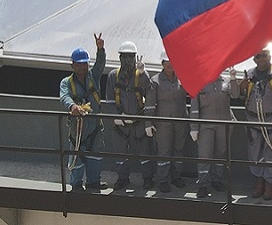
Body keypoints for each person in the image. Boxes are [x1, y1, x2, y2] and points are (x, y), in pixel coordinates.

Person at [234, 48, 272, 200]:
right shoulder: (250, 74)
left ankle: (269, 184)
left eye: (264, 56)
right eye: (258, 56)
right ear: (254, 59)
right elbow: (243, 95)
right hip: (253, 120)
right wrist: (242, 88)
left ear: (269, 56)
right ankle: (259, 183)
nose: (261, 59)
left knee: (271, 153)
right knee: (255, 153)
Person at [59, 33, 107, 192]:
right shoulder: (66, 83)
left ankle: (93, 182)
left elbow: (100, 64)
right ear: (72, 65)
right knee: (76, 157)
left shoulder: (94, 76)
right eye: (78, 64)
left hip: (94, 126)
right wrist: (72, 106)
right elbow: (64, 96)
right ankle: (77, 185)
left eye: (84, 64)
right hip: (77, 127)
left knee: (95, 156)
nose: (82, 67)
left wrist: (100, 49)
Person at [106, 41, 155, 191]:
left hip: (139, 120)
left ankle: (147, 178)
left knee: (145, 151)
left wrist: (143, 73)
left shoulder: (141, 75)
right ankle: (122, 178)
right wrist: (117, 116)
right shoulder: (113, 76)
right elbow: (110, 100)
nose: (128, 60)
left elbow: (150, 91)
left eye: (130, 56)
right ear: (120, 58)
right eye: (124, 56)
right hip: (121, 124)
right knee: (120, 151)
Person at [143, 51, 188, 193]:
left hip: (180, 120)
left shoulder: (182, 79)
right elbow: (150, 104)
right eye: (166, 62)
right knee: (164, 151)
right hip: (163, 123)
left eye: (171, 61)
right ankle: (162, 180)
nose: (169, 65)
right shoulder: (155, 81)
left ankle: (176, 176)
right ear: (162, 64)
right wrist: (148, 123)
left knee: (179, 149)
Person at [190, 71, 237, 198]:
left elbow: (236, 94)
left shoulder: (225, 82)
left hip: (223, 124)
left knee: (220, 154)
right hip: (206, 125)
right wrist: (194, 127)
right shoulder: (200, 82)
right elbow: (194, 106)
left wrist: (233, 79)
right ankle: (203, 184)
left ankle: (217, 180)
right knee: (204, 155)